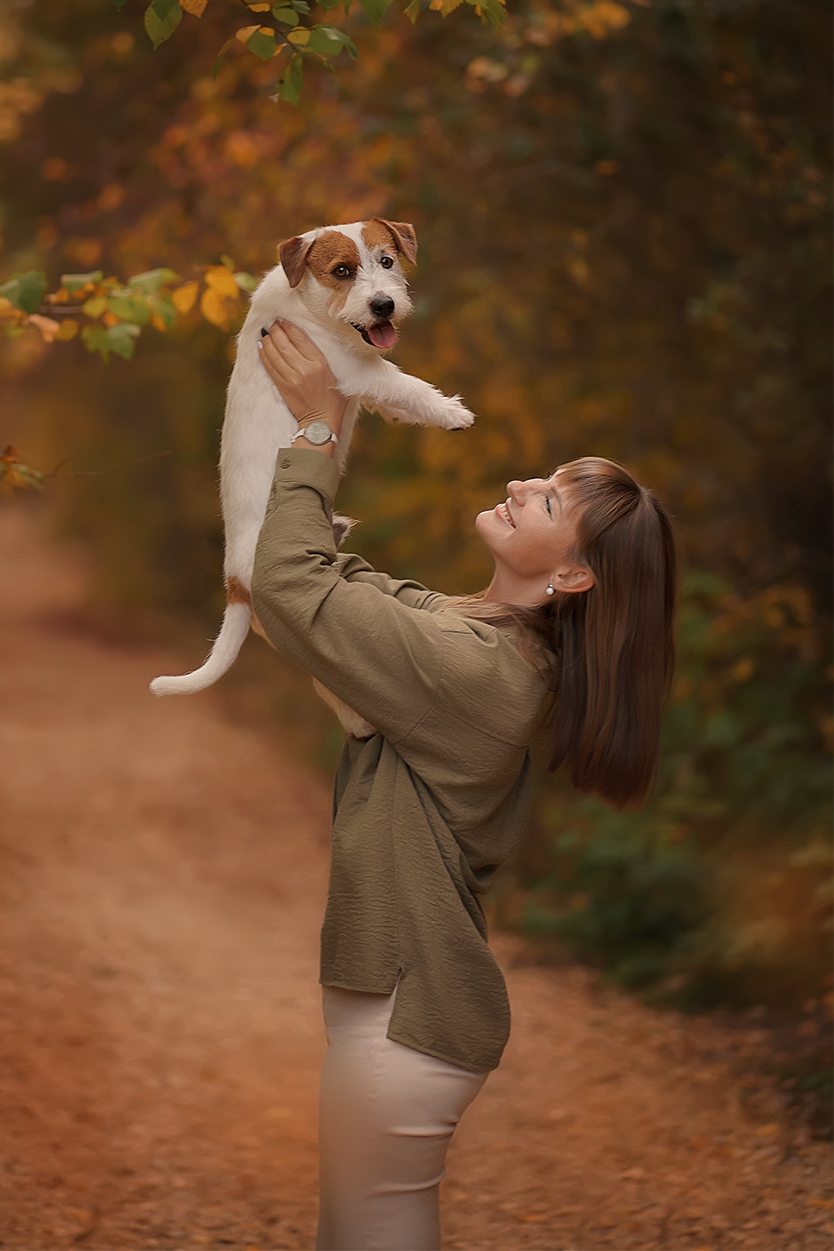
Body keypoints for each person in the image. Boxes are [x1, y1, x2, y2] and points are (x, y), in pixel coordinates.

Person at [252, 319, 677, 1251]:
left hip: (406, 1024)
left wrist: (320, 435)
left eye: (555, 498)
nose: (527, 483)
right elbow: (338, 594)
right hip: (403, 1017)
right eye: (548, 476)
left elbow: (294, 586)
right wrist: (319, 426)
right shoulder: (472, 636)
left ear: (572, 575)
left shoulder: (481, 671)